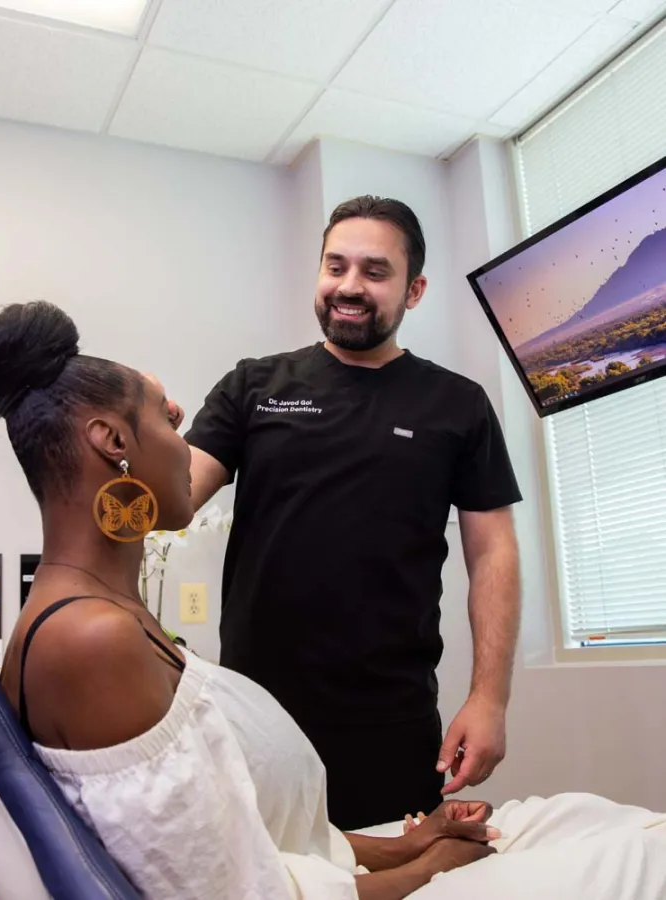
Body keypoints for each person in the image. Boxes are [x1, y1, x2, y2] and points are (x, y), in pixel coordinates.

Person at [0, 301, 666, 900]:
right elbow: (239, 891)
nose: (186, 447)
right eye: (169, 426)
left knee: (583, 815)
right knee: (648, 848)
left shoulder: (105, 618)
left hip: (346, 829)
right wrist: (423, 869)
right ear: (113, 441)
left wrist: (407, 843)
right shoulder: (90, 640)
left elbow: (235, 834)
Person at [173, 195, 524, 830]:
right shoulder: (254, 386)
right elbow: (171, 501)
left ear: (414, 290)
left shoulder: (458, 404)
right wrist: (134, 433)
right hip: (258, 710)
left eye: (374, 271)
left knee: (397, 878)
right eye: (335, 267)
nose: (349, 287)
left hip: (390, 717)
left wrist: (489, 697)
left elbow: (493, 551)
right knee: (272, 880)